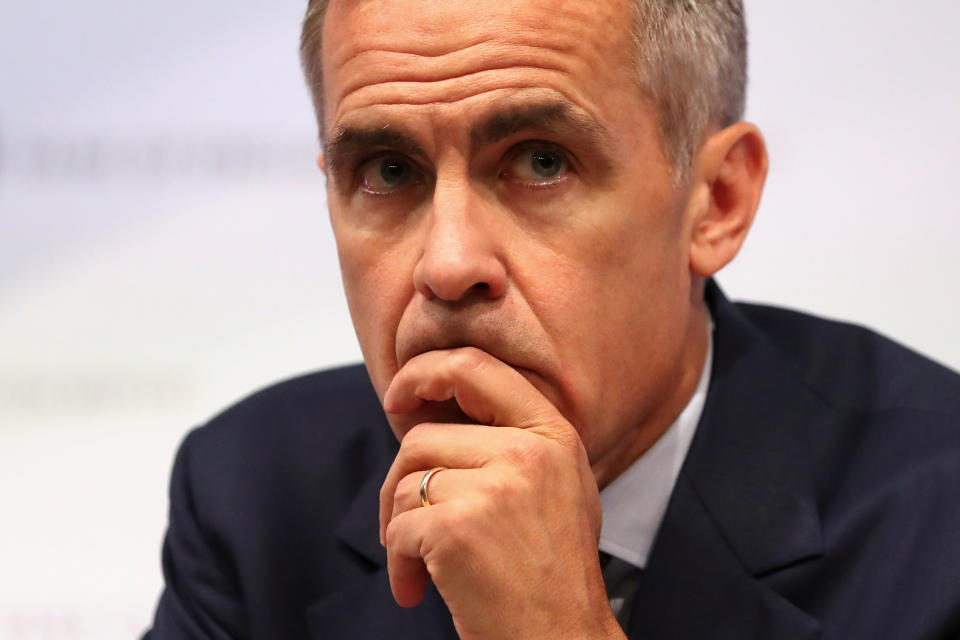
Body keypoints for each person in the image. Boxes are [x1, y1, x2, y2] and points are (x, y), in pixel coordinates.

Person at [144, 0, 960, 638]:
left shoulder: (937, 521)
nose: (447, 264)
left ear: (717, 201)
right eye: (388, 170)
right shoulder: (253, 499)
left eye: (542, 161)